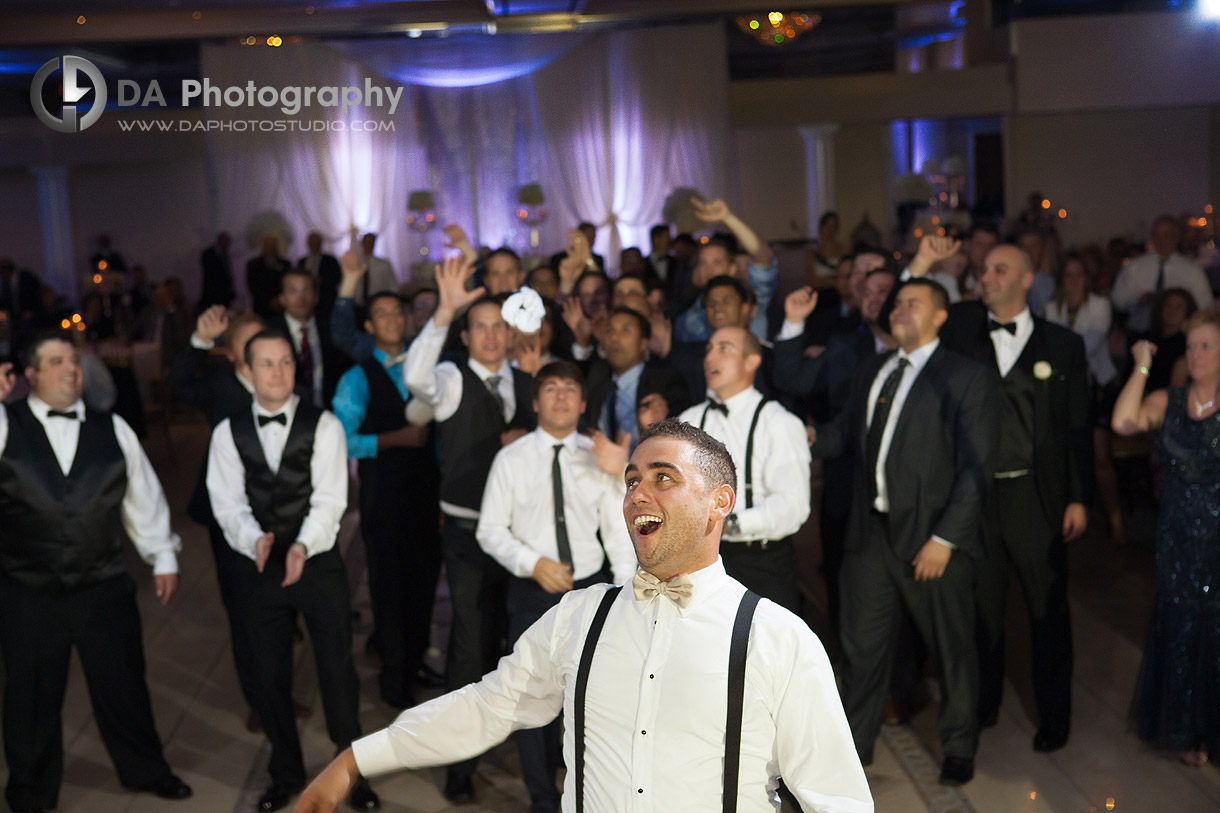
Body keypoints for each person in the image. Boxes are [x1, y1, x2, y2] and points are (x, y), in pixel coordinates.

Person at [293, 418, 873, 813]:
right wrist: (355, 759)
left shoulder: (779, 639)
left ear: (719, 502)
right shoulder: (580, 616)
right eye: (631, 480)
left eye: (663, 478)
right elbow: (484, 707)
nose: (638, 494)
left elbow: (839, 799)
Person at [810, 279, 999, 786]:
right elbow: (841, 437)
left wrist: (945, 539)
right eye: (897, 303)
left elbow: (976, 470)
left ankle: (959, 745)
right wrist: (799, 434)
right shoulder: (874, 369)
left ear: (940, 316)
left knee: (952, 648)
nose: (899, 310)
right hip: (870, 535)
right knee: (862, 650)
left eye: (912, 303)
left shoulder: (966, 377)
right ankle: (853, 748)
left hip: (930, 538)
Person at [908, 241, 1092, 753]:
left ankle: (1054, 715)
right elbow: (900, 313)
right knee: (981, 610)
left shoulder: (1064, 345)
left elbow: (1077, 427)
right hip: (975, 498)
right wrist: (922, 266)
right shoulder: (963, 327)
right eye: (984, 269)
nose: (985, 276)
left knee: (1047, 610)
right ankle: (984, 703)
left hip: (1036, 496)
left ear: (1027, 279)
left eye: (999, 269)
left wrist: (1079, 497)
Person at [0, 334, 192, 813]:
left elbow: (142, 497)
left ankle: (146, 770)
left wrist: (161, 555)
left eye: (74, 360)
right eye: (56, 360)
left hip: (103, 584)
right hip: (28, 590)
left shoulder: (115, 428)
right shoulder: (5, 425)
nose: (71, 367)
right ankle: (30, 792)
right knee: (30, 697)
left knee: (123, 685)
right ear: (31, 376)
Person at [206, 329, 378, 812]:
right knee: (269, 674)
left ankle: (352, 777)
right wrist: (252, 539)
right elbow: (228, 503)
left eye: (285, 362)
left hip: (318, 564)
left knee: (337, 672)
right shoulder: (227, 431)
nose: (278, 372)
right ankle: (284, 773)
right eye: (266, 363)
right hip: (257, 568)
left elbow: (330, 499)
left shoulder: (323, 425)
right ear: (246, 371)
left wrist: (302, 545)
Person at [403, 255, 537, 803]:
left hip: (524, 540)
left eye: (497, 325)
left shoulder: (528, 383)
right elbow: (414, 378)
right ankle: (460, 761)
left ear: (510, 332)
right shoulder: (451, 380)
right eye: (478, 326)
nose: (489, 335)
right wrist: (442, 312)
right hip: (466, 535)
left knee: (524, 644)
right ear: (466, 334)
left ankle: (531, 748)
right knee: (470, 645)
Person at [476, 361, 636, 813]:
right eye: (551, 389)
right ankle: (543, 800)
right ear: (535, 401)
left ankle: (584, 795)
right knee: (532, 700)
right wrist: (533, 563)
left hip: (591, 588)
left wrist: (624, 593)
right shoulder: (511, 459)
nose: (561, 397)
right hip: (532, 591)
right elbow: (490, 530)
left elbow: (617, 533)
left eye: (570, 389)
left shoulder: (600, 456)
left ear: (584, 403)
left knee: (589, 698)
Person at [1113, 311, 1220, 767]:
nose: (1195, 355)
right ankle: (1187, 729)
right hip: (1177, 537)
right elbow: (1123, 423)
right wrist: (1141, 363)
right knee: (1181, 628)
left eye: (1206, 346)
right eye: (1190, 346)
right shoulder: (1169, 399)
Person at [331, 291, 440, 710]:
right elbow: (342, 440)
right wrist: (395, 439)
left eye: (399, 311)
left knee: (424, 583)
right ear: (370, 327)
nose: (394, 319)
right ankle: (394, 677)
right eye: (382, 314)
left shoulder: (424, 368)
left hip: (426, 494)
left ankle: (416, 662)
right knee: (389, 589)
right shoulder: (357, 377)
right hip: (384, 497)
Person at [167, 306, 267, 730]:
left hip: (274, 512)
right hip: (228, 515)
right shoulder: (220, 386)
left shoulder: (279, 379)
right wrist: (198, 341)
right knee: (243, 610)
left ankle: (277, 692)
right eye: (250, 343)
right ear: (232, 354)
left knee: (274, 611)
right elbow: (176, 385)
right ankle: (259, 702)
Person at [677, 327, 810, 613]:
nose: (711, 357)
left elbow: (793, 505)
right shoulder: (688, 420)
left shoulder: (779, 422)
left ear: (751, 361)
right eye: (709, 348)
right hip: (697, 561)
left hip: (761, 562)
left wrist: (728, 525)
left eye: (724, 348)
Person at [1043, 254, 1124, 546]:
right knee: (1067, 451)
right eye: (1069, 274)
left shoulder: (1100, 306)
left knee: (1101, 456)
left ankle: (1116, 521)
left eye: (1079, 274)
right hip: (1063, 392)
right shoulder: (1051, 308)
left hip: (1097, 388)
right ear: (1061, 280)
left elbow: (1088, 346)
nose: (1074, 280)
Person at [582, 307, 689, 450]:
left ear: (644, 343)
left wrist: (655, 428)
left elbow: (686, 436)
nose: (614, 338)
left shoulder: (665, 383)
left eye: (625, 331)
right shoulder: (597, 382)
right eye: (610, 331)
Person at [1111, 215, 1213, 334]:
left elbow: (1205, 306)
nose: (1161, 240)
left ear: (1176, 237)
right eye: (1156, 234)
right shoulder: (1134, 267)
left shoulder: (1192, 270)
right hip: (1141, 332)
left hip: (1179, 336)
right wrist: (1138, 300)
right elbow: (1117, 300)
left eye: (1166, 235)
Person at [268, 268, 349, 408]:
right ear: (282, 298)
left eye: (306, 291)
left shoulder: (330, 330)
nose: (301, 298)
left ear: (316, 297)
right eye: (293, 291)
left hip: (327, 412)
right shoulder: (269, 333)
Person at [299, 232, 342, 326]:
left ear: (320, 243)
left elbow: (337, 278)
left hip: (325, 302)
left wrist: (322, 281)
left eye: (316, 242)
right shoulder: (302, 261)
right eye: (312, 242)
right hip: (305, 301)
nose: (314, 244)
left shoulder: (330, 260)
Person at [248, 234, 291, 319]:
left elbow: (288, 284)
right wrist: (268, 301)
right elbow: (252, 285)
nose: (270, 247)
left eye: (272, 245)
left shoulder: (286, 264)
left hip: (280, 307)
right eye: (268, 245)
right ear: (263, 246)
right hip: (261, 307)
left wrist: (279, 300)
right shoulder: (253, 264)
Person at [200, 232, 236, 310]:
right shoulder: (208, 254)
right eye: (227, 241)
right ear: (220, 240)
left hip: (225, 295)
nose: (228, 244)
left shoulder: (225, 254)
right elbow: (212, 275)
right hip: (213, 294)